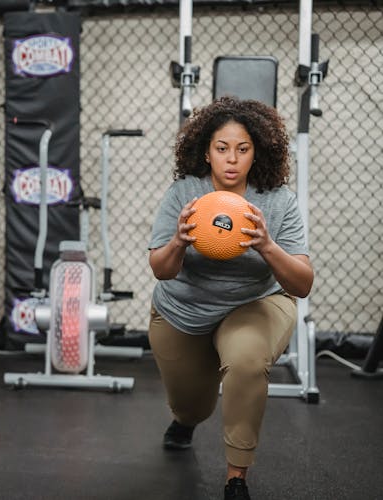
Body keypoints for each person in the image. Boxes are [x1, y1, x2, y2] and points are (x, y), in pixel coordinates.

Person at [147, 96, 313, 500]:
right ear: (206, 151)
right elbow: (161, 269)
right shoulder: (185, 192)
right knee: (191, 406)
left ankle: (235, 478)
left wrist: (268, 246)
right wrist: (179, 242)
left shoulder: (277, 199)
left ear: (257, 153)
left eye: (242, 149)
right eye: (222, 149)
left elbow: (303, 283)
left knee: (247, 360)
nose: (232, 160)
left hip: (255, 303)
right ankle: (185, 421)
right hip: (184, 309)